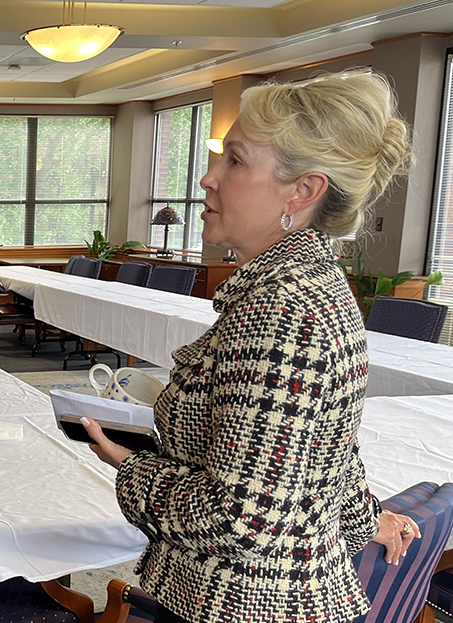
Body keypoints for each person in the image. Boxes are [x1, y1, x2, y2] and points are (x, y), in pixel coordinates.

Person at [81, 71, 421, 623]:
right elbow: (320, 450)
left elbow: (240, 521)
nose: (207, 179)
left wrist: (132, 465)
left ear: (303, 191)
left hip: (239, 607)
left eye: (234, 161)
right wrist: (364, 516)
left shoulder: (281, 310)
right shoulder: (302, 286)